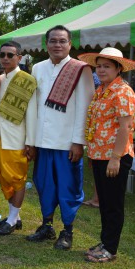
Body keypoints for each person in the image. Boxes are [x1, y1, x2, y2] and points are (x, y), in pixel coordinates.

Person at [27, 25, 94, 250]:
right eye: (53, 41)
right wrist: (31, 141)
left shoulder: (80, 69)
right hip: (42, 141)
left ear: (70, 44)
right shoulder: (37, 68)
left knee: (69, 187)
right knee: (44, 184)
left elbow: (85, 107)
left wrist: (78, 142)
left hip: (67, 142)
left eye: (62, 41)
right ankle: (47, 225)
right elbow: (33, 106)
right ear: (46, 44)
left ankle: (67, 231)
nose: (57, 45)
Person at [78, 47, 135, 262]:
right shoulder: (102, 90)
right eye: (99, 66)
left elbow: (125, 128)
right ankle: (105, 242)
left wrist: (115, 158)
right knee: (104, 202)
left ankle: (110, 248)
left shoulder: (123, 92)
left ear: (118, 68)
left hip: (115, 156)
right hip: (99, 154)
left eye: (107, 66)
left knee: (113, 204)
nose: (102, 70)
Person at [0, 41, 38, 235]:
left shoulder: (27, 80)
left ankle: (11, 220)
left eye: (10, 55)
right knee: (4, 177)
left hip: (17, 138)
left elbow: (32, 114)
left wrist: (30, 142)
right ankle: (15, 216)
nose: (5, 58)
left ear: (19, 57)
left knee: (17, 178)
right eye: (2, 54)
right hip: (0, 137)